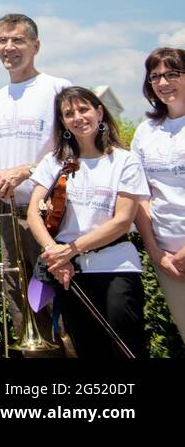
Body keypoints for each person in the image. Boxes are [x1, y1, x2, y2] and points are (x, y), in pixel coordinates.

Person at [26, 86, 149, 359]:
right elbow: (34, 213)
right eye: (68, 113)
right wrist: (56, 255)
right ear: (63, 122)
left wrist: (71, 249)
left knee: (127, 346)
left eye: (84, 109)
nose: (77, 117)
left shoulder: (124, 161)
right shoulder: (54, 162)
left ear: (100, 113)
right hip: (69, 270)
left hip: (116, 266)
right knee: (85, 348)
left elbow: (122, 220)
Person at [0, 13, 71, 349]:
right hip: (7, 215)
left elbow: (74, 150)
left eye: (18, 40)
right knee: (19, 302)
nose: (9, 47)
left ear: (36, 45)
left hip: (52, 215)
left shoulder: (57, 89)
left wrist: (25, 171)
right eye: (2, 40)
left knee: (63, 304)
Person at [131, 47, 185, 341]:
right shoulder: (145, 131)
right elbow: (139, 196)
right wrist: (155, 252)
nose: (163, 82)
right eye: (155, 76)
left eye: (172, 74)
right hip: (167, 260)